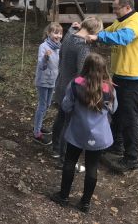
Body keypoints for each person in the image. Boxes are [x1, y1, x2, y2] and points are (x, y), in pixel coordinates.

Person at [86, 0, 138, 172]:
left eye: (116, 8)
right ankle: (116, 145)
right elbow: (108, 32)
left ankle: (131, 158)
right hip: (121, 75)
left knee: (129, 119)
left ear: (127, 7)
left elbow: (122, 38)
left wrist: (98, 38)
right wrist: (90, 32)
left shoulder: (135, 22)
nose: (114, 11)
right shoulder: (121, 20)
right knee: (118, 113)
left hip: (133, 77)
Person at [51, 53, 117, 213]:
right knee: (92, 167)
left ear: (85, 67)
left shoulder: (75, 84)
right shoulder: (109, 88)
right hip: (99, 135)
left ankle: (63, 196)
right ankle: (85, 203)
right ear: (103, 70)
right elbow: (113, 109)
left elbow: (66, 106)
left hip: (77, 132)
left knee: (70, 162)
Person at [52, 17, 103, 162]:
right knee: (68, 123)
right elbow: (82, 72)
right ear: (93, 32)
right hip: (71, 87)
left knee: (61, 117)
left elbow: (61, 55)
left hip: (61, 81)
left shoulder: (69, 36)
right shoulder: (83, 46)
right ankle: (63, 157)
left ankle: (55, 148)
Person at [32, 23, 62, 145]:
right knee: (43, 105)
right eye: (55, 32)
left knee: (48, 104)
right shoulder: (43, 46)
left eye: (60, 33)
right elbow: (42, 66)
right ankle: (36, 133)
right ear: (49, 33)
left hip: (53, 81)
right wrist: (45, 57)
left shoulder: (59, 47)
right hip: (43, 81)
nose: (58, 35)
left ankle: (38, 125)